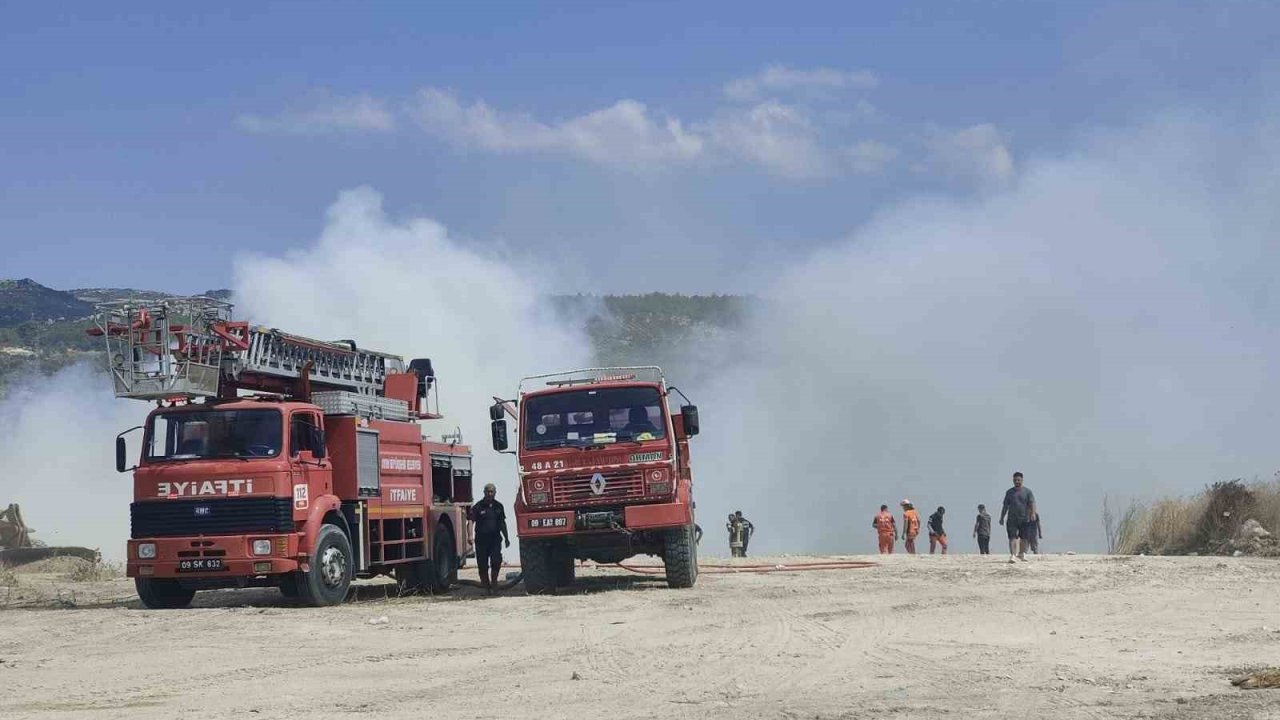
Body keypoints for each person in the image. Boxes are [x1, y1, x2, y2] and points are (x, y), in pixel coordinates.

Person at [467, 483, 509, 593]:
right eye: (487, 492)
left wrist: (507, 538)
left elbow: (502, 523)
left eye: (492, 492)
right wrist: (470, 536)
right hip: (481, 540)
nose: (490, 494)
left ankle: (494, 583)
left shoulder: (499, 506)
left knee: (496, 561)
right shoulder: (478, 506)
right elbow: (471, 521)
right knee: (482, 564)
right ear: (484, 493)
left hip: (495, 539)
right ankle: (486, 588)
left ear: (495, 493)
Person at [999, 471, 1038, 563]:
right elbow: (1005, 506)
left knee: (1024, 537)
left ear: (1022, 480)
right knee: (1012, 537)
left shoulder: (1028, 492)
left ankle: (1022, 553)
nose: (1017, 481)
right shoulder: (1009, 492)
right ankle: (1013, 555)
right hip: (1012, 519)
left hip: (1024, 518)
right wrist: (1002, 517)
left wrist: (1033, 513)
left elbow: (1032, 503)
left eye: (1018, 480)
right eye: (1015, 480)